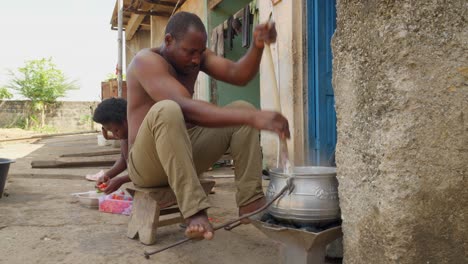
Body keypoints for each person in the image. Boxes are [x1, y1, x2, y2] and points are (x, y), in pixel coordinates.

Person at [126, 12, 290, 240]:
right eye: (189, 52)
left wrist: (257, 46)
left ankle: (250, 202)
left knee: (243, 108)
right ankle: (194, 211)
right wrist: (253, 119)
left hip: (183, 152)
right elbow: (185, 107)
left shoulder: (197, 57)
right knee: (168, 109)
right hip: (147, 165)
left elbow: (238, 74)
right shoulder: (145, 61)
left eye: (199, 52)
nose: (195, 59)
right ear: (168, 41)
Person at [92, 97, 131, 194]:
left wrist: (122, 180)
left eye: (116, 130)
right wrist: (107, 175)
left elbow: (148, 172)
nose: (115, 135)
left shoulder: (140, 134)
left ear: (126, 120)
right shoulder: (124, 137)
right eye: (110, 131)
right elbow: (124, 159)